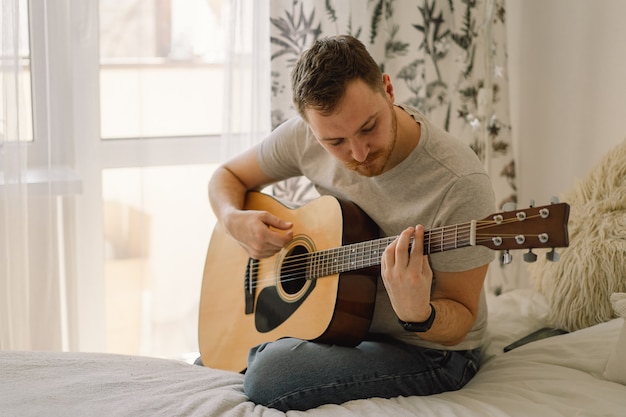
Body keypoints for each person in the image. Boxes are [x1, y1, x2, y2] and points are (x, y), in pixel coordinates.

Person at [207, 34, 495, 411]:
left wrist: (418, 313)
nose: (358, 153)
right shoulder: (304, 137)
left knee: (271, 375)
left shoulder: (459, 183)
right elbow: (226, 175)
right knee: (234, 355)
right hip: (344, 329)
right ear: (310, 129)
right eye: (335, 142)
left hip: (433, 351)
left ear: (388, 89)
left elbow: (461, 317)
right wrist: (233, 219)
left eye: (368, 127)